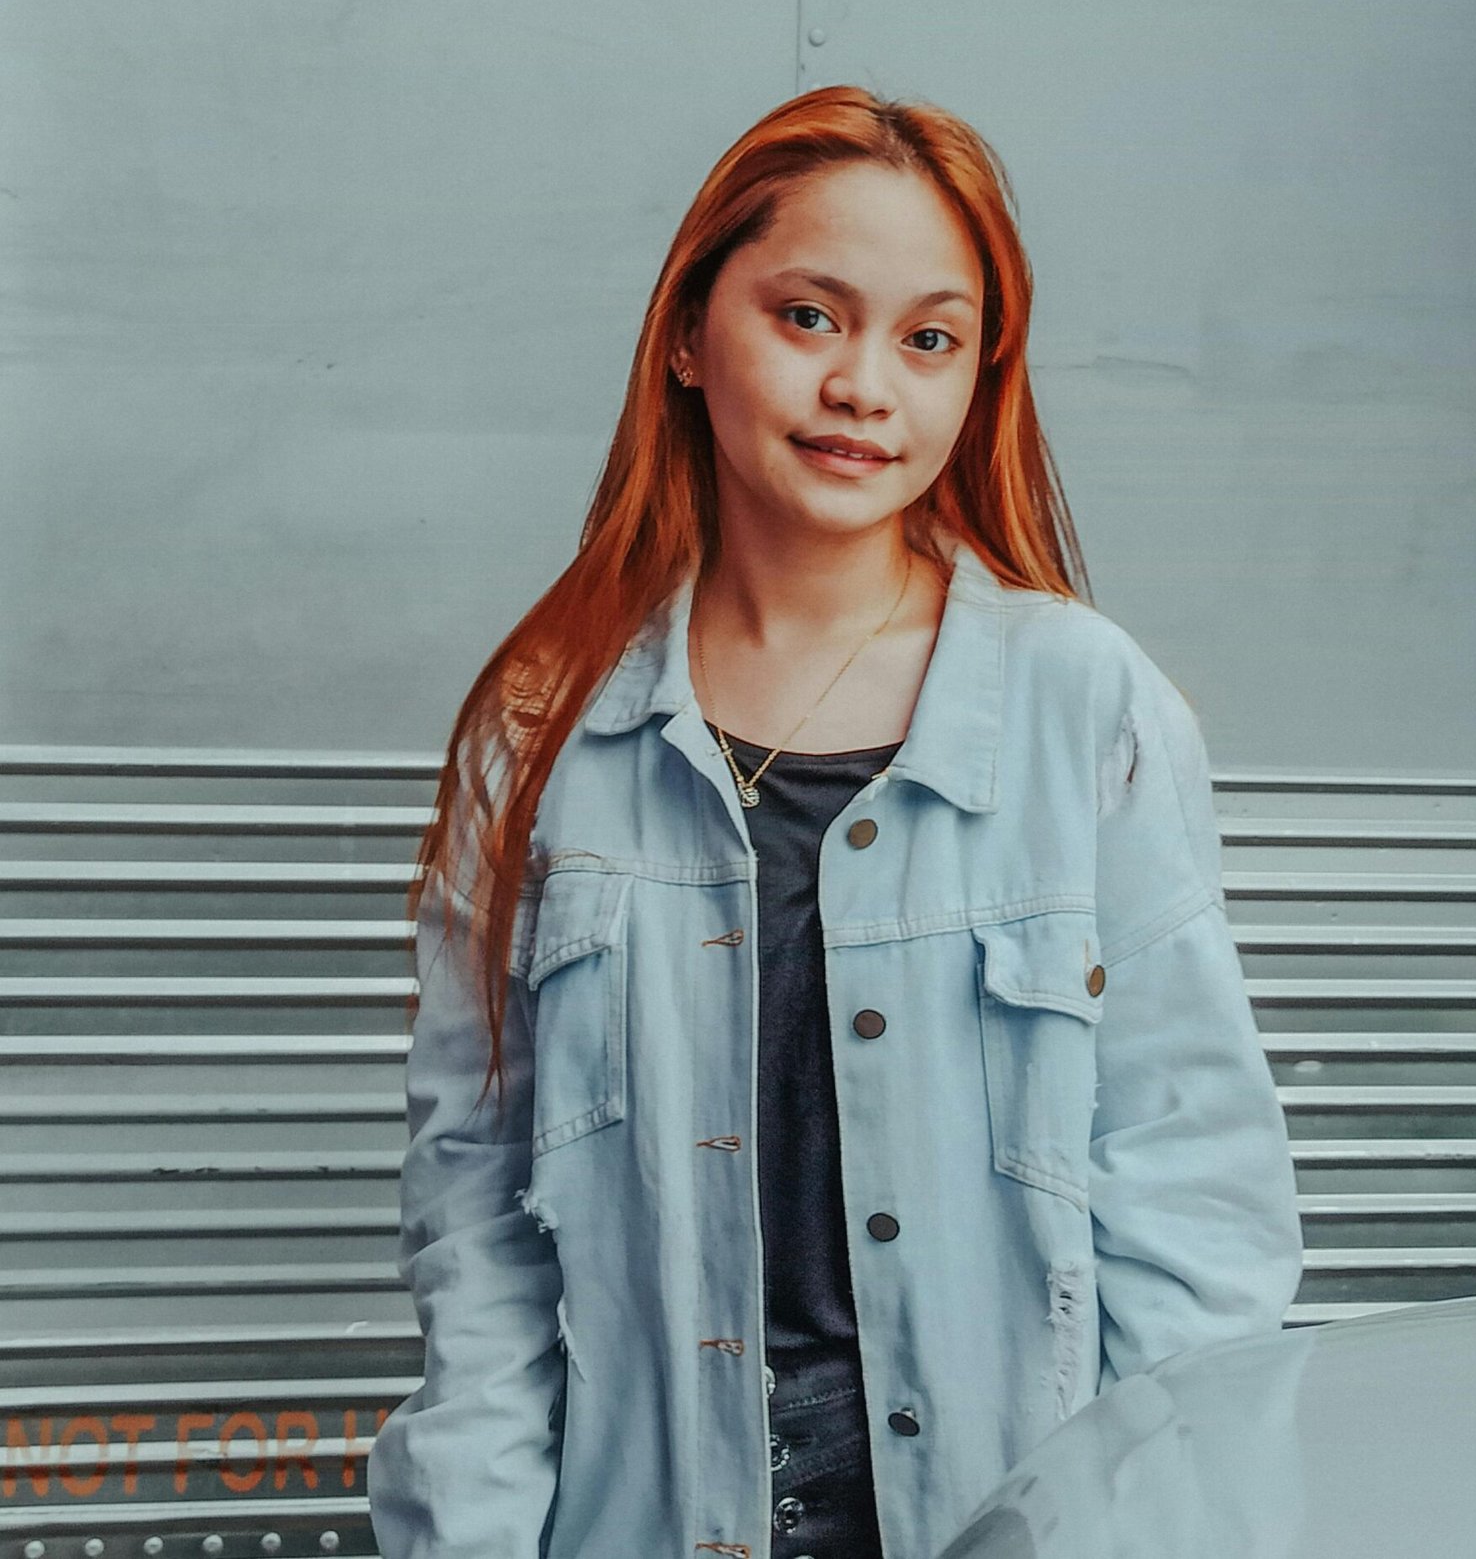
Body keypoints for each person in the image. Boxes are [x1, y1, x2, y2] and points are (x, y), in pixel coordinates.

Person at [366, 86, 1304, 1559]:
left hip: (1010, 1518)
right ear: (688, 334)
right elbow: (478, 1242)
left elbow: (1200, 1218)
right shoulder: (541, 732)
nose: (868, 386)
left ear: (975, 379)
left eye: (927, 339)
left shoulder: (1086, 710)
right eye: (810, 316)